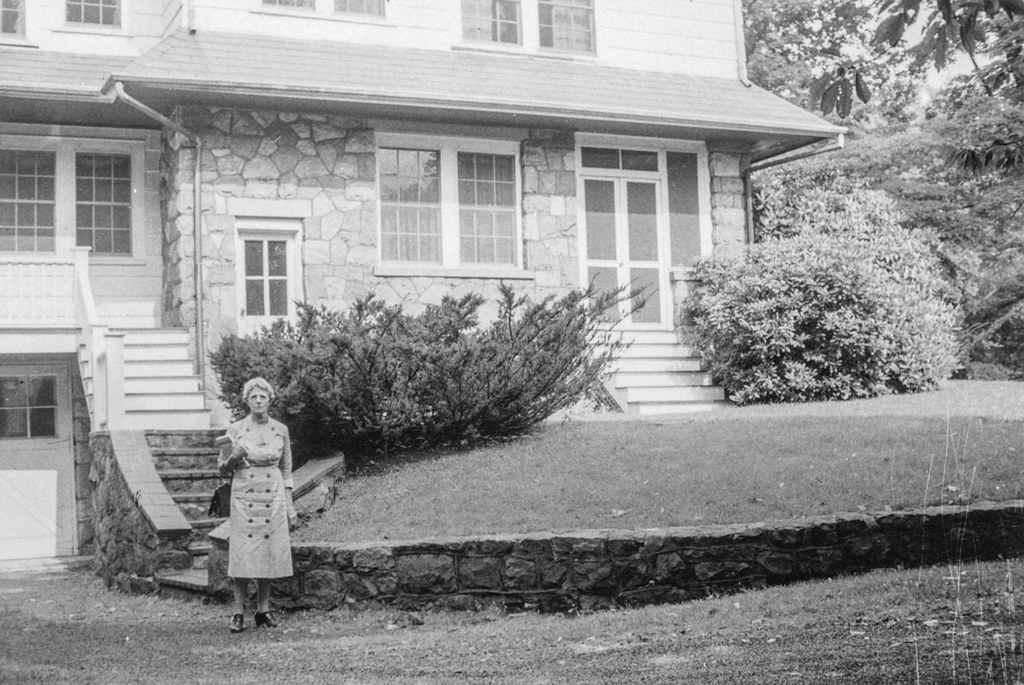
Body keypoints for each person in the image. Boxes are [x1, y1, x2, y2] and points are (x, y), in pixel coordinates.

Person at [217, 377, 297, 634]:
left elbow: (286, 469)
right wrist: (234, 456)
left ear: (270, 399)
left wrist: (290, 505)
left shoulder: (280, 429)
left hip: (272, 495)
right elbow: (221, 469)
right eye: (254, 397)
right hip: (245, 495)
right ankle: (238, 612)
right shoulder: (236, 429)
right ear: (247, 401)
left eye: (263, 396)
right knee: (243, 554)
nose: (259, 401)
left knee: (268, 551)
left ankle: (263, 610)